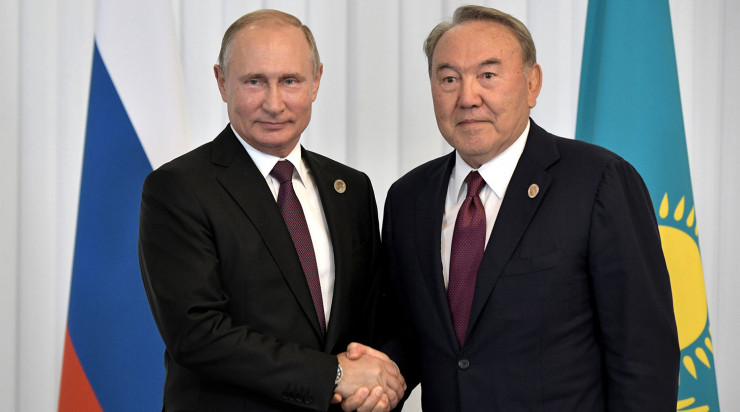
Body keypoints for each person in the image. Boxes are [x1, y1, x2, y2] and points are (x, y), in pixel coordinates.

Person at [343, 5, 679, 411]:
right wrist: (376, 377)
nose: (468, 98)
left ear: (532, 83)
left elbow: (643, 357)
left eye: (487, 75)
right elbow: (412, 332)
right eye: (449, 79)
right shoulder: (408, 198)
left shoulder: (599, 182)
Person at [138, 9, 404, 411]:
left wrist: (378, 387)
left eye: (290, 80)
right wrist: (331, 375)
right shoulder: (178, 188)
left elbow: (373, 316)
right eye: (254, 81)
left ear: (316, 81)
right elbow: (197, 334)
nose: (274, 103)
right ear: (222, 82)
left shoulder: (351, 188)